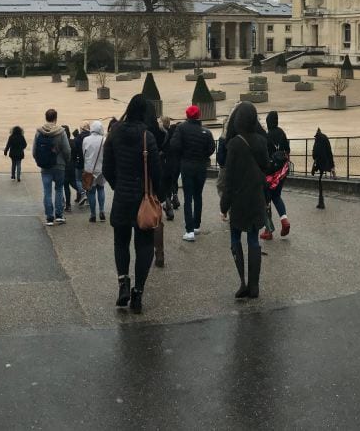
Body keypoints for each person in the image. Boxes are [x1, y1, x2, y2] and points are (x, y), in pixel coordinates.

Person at [102, 98, 170, 314]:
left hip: (122, 197)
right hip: (143, 199)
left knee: (120, 242)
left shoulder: (115, 132)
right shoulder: (146, 136)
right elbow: (157, 172)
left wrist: (118, 186)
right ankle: (137, 293)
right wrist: (158, 195)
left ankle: (123, 282)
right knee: (144, 247)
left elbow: (107, 168)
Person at [218, 101, 274, 300]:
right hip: (256, 197)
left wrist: (224, 206)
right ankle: (255, 286)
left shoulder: (234, 144)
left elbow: (229, 180)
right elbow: (266, 166)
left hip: (239, 200)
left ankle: (242, 282)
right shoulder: (260, 141)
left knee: (235, 238)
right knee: (253, 239)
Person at [167, 104, 217, 242]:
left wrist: (184, 153)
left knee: (188, 198)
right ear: (198, 116)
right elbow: (211, 148)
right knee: (198, 196)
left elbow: (174, 145)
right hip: (201, 165)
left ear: (187, 115)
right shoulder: (206, 132)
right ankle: (196, 225)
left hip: (187, 165)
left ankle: (189, 231)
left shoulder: (181, 128)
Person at [32, 109, 70, 226]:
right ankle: (59, 215)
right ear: (56, 118)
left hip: (45, 166)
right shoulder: (61, 132)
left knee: (47, 191)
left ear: (46, 117)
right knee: (59, 189)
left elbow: (34, 150)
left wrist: (40, 160)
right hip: (59, 165)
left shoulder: (39, 132)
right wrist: (66, 161)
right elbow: (67, 150)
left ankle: (49, 217)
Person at [261, 111, 293, 240]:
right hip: (282, 172)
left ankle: (268, 230)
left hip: (270, 174)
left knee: (266, 199)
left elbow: (264, 156)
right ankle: (284, 220)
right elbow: (288, 151)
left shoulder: (266, 136)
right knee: (276, 196)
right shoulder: (282, 133)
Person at [81, 120, 107, 222]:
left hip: (89, 169)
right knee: (101, 188)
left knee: (91, 192)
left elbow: (84, 154)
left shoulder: (86, 139)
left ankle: (92, 214)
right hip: (101, 168)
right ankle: (102, 211)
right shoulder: (104, 140)